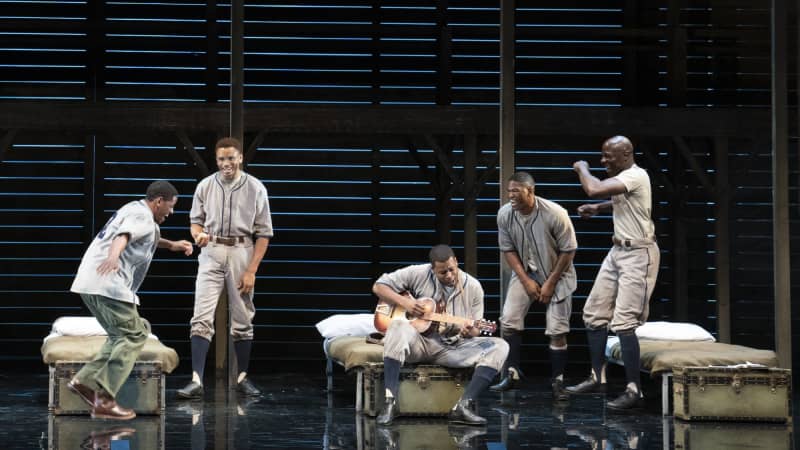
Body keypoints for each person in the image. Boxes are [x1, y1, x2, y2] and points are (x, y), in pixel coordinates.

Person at [67, 180, 194, 420]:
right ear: (158, 202)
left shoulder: (134, 209)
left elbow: (142, 237)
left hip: (90, 284)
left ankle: (82, 381)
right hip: (108, 284)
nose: (172, 212)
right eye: (171, 206)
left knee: (119, 337)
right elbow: (123, 236)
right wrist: (114, 257)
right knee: (135, 334)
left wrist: (172, 245)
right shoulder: (143, 216)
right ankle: (104, 398)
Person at [567, 135, 660, 410]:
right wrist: (600, 208)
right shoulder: (626, 180)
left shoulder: (635, 175)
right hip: (617, 252)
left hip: (639, 255)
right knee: (594, 314)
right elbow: (622, 200)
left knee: (624, 322)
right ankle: (598, 377)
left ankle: (634, 390)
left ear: (626, 154)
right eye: (601, 155)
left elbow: (594, 188)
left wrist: (582, 168)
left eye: (608, 156)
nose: (603, 160)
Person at [177, 137, 273, 399]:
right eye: (221, 159)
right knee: (201, 314)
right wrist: (198, 235)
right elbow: (195, 222)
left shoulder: (255, 188)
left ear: (240, 158)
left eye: (231, 158)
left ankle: (242, 377)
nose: (226, 163)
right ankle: (196, 379)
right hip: (212, 251)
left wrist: (252, 269)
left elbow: (264, 233)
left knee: (242, 315)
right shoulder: (205, 186)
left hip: (242, 250)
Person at [374, 244, 509, 426]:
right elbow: (379, 286)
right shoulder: (418, 273)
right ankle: (390, 403)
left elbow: (476, 328)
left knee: (500, 346)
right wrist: (405, 303)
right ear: (433, 269)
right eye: (443, 272)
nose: (449, 276)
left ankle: (464, 406)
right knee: (397, 326)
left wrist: (470, 331)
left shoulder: (474, 287)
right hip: (420, 343)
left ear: (456, 262)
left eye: (452, 270)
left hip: (451, 348)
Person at [489, 172, 578, 403]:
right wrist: (526, 281)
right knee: (508, 320)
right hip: (525, 273)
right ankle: (512, 373)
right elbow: (507, 249)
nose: (511, 196)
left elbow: (568, 250)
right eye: (509, 191)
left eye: (516, 191)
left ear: (530, 191)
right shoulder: (505, 214)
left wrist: (549, 283)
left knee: (557, 330)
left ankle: (558, 381)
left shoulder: (555, 213)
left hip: (556, 274)